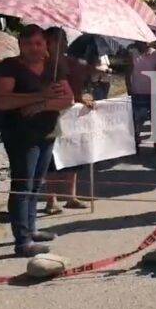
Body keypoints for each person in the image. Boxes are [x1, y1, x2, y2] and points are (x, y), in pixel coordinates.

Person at [0, 25, 74, 257]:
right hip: (21, 137)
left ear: (45, 44)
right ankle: (22, 241)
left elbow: (68, 98)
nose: (34, 48)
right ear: (20, 45)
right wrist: (42, 96)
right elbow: (2, 100)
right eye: (28, 44)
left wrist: (41, 104)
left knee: (36, 184)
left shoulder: (53, 67)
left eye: (38, 43)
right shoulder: (10, 67)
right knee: (22, 186)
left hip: (46, 133)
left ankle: (32, 229)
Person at [42, 27, 94, 214]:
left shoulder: (73, 63)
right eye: (51, 41)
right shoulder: (41, 64)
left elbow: (80, 91)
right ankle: (51, 200)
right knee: (52, 159)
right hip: (49, 115)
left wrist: (85, 98)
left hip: (72, 115)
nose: (56, 44)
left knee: (73, 156)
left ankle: (71, 197)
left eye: (60, 40)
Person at [126, 41, 156, 154]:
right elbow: (128, 73)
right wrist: (128, 87)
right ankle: (136, 145)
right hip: (138, 92)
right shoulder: (132, 53)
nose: (145, 43)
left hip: (154, 91)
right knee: (138, 119)